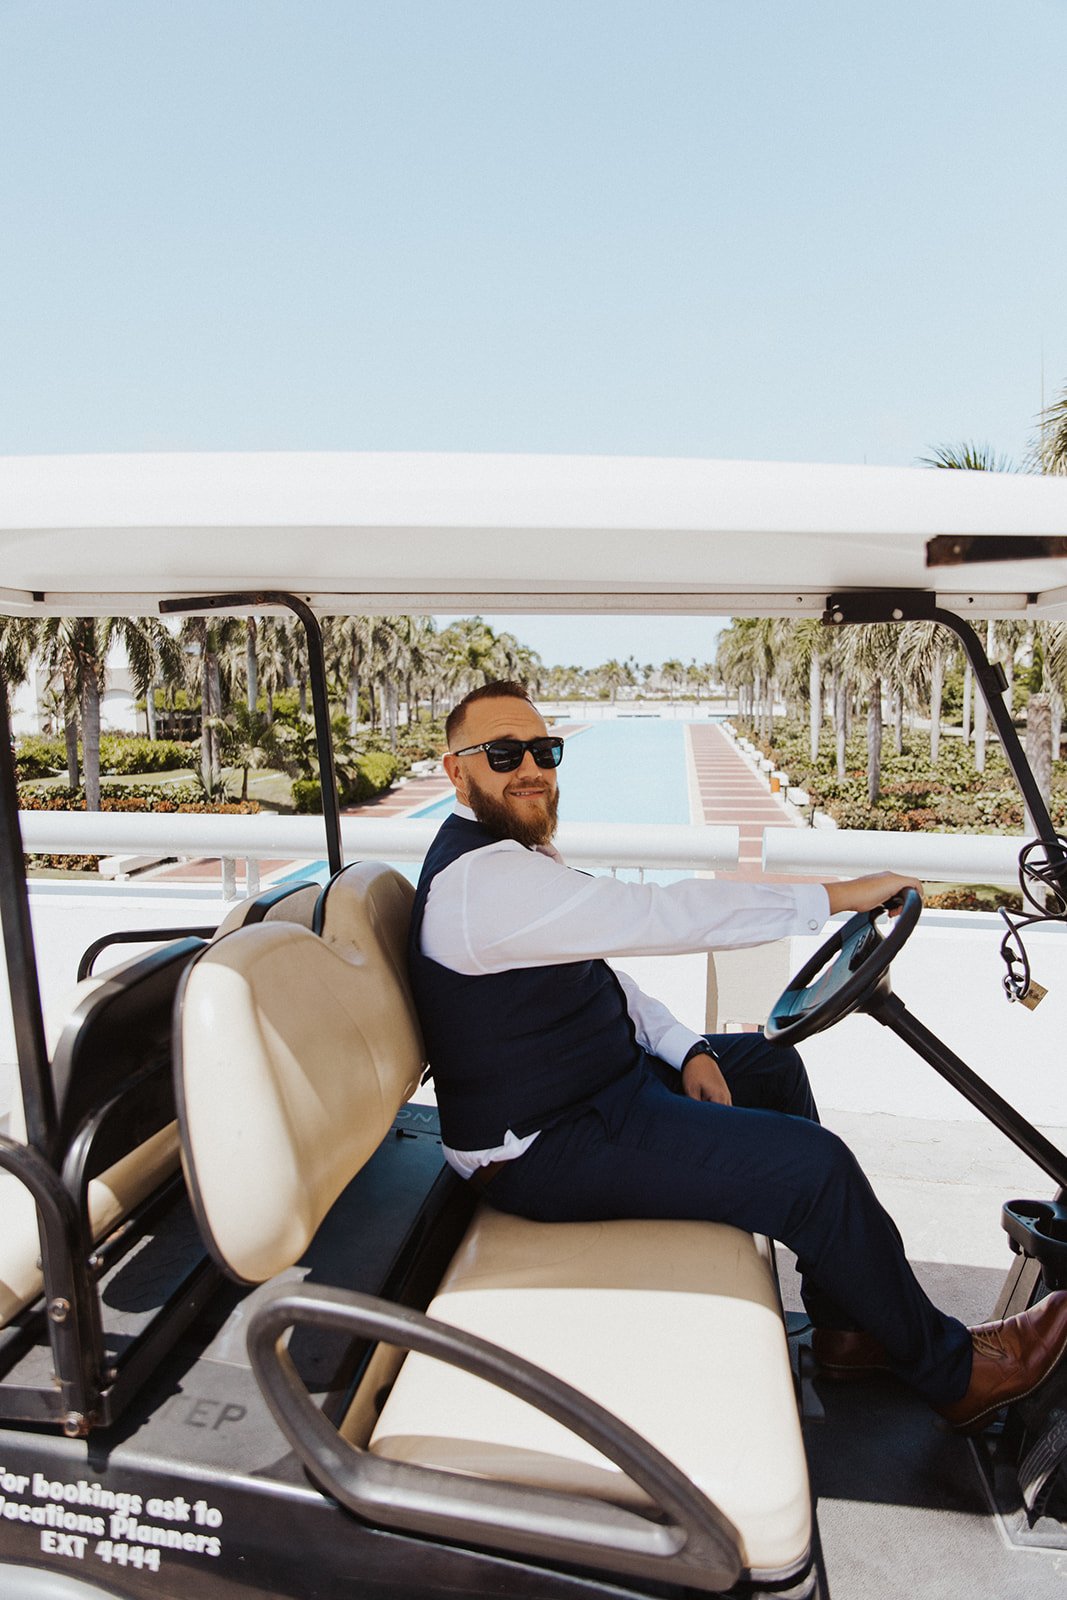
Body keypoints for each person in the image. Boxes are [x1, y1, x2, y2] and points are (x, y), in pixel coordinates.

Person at [408, 680, 1067, 1433]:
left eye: (543, 750)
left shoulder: (512, 857)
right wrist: (837, 895)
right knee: (814, 1168)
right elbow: (660, 915)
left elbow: (601, 974)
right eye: (502, 753)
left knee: (769, 1064)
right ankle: (958, 1375)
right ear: (455, 771)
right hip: (541, 1144)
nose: (529, 767)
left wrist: (685, 1046)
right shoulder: (481, 881)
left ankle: (850, 1329)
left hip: (597, 1087)